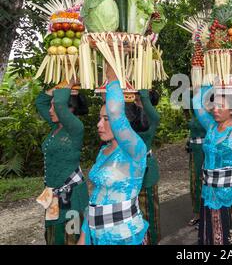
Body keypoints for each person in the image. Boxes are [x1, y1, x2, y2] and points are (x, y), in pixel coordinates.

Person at [78, 65, 148, 245]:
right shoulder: (104, 151)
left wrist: (112, 74)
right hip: (97, 236)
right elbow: (97, 195)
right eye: (100, 118)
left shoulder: (135, 151)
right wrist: (84, 237)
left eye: (106, 119)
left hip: (125, 237)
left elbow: (116, 112)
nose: (99, 125)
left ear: (123, 123)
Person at [193, 86, 232, 245]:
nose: (215, 109)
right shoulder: (211, 127)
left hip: (230, 197)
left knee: (230, 239)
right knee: (210, 236)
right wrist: (213, 85)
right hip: (208, 194)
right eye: (214, 105)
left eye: (221, 105)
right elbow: (195, 102)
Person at [35, 80, 89, 245]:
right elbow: (40, 101)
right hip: (54, 196)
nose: (51, 110)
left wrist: (69, 83)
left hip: (71, 197)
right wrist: (62, 85)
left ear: (69, 109)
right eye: (51, 107)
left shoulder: (75, 129)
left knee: (71, 237)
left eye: (54, 107)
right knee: (54, 237)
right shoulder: (56, 126)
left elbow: (58, 102)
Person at [135, 89, 161, 245]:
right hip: (130, 171)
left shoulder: (153, 118)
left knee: (149, 212)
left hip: (147, 171)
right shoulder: (132, 118)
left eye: (139, 101)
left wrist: (142, 86)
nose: (136, 104)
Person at [186, 96, 207, 228]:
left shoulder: (210, 113)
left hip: (204, 150)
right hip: (194, 151)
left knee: (203, 181)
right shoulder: (195, 111)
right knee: (194, 182)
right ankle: (197, 213)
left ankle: (205, 215)